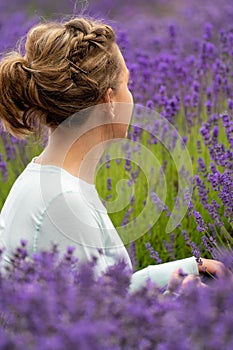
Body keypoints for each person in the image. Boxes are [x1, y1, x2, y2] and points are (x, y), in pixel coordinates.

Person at [0, 16, 225, 291]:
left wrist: (186, 269)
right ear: (109, 101)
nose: (132, 97)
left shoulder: (50, 182)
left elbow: (100, 290)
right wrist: (179, 302)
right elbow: (93, 325)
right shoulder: (64, 203)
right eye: (126, 85)